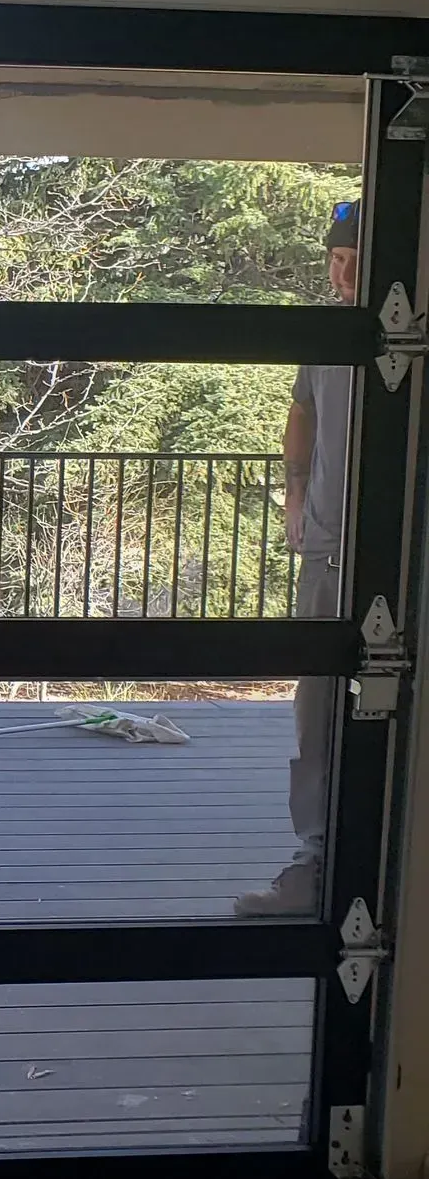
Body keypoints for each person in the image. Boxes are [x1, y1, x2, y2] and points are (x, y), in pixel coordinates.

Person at [237, 200, 358, 915]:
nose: (341, 278)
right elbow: (302, 411)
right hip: (327, 547)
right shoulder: (324, 333)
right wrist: (291, 495)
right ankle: (314, 866)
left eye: (354, 263)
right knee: (316, 704)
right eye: (334, 263)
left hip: (390, 550)